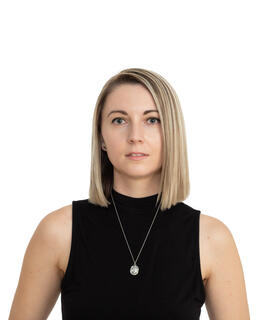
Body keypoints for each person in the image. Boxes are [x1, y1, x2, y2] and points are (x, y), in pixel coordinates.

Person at [8, 68, 250, 319]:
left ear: (172, 132)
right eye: (119, 120)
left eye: (152, 120)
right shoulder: (58, 232)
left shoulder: (211, 239)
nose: (135, 136)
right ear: (101, 137)